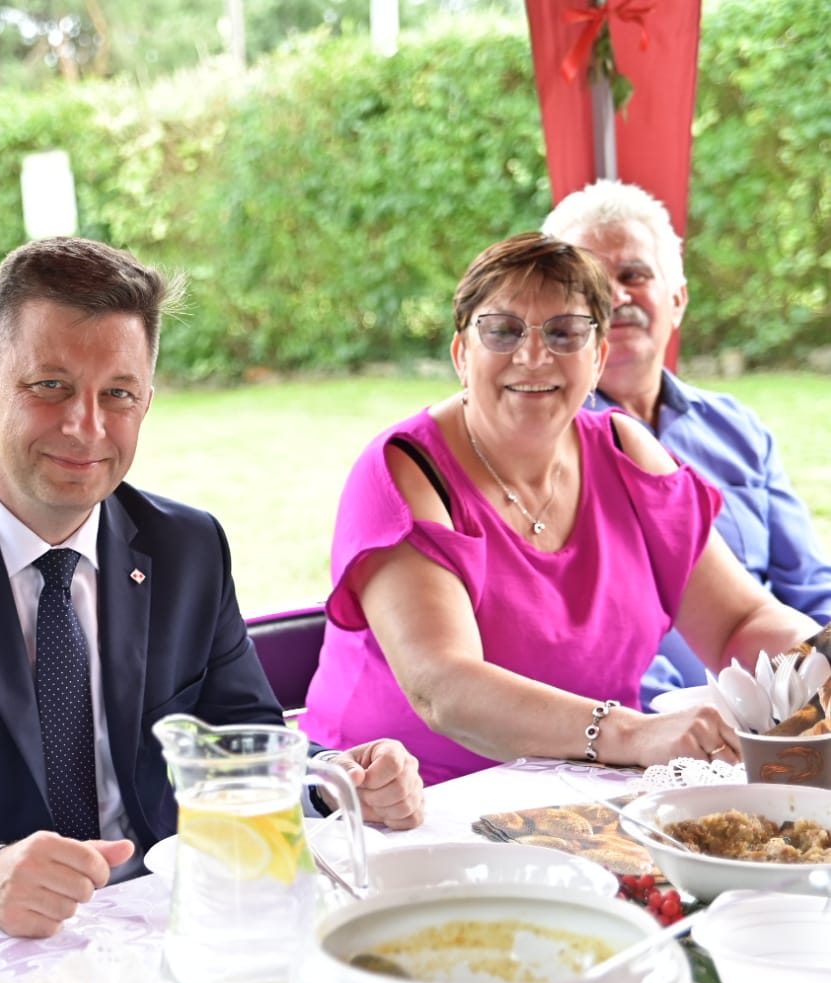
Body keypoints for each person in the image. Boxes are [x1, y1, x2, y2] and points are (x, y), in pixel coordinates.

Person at [0, 236, 425, 960]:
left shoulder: (186, 547)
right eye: (50, 386)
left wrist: (332, 778)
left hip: (146, 924)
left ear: (145, 403)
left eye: (117, 394)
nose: (85, 427)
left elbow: (239, 733)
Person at [302, 233, 819, 786]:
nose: (533, 356)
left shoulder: (626, 451)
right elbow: (442, 687)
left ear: (597, 358)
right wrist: (631, 734)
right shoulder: (405, 470)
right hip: (401, 800)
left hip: (589, 794)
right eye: (502, 331)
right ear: (461, 355)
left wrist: (820, 662)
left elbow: (741, 621)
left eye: (564, 332)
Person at [541, 180, 831, 703]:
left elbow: (810, 587)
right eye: (591, 283)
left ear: (677, 300)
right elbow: (578, 641)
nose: (616, 296)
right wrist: (678, 723)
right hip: (642, 722)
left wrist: (812, 698)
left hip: (784, 707)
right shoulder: (541, 448)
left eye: (634, 275)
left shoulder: (736, 428)